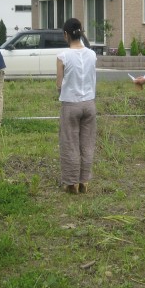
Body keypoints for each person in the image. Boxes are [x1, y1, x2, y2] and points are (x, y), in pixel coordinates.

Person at [56, 18, 97, 194]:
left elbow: (59, 84)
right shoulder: (92, 54)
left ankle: (71, 183)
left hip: (71, 104)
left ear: (66, 34)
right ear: (81, 33)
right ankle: (84, 181)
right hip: (89, 103)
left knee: (70, 143)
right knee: (87, 143)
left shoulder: (63, 56)